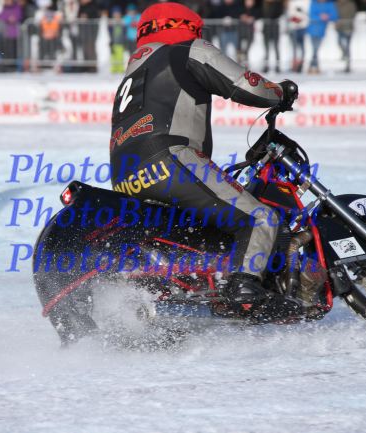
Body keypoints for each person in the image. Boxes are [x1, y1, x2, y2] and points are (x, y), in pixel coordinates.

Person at [109, 2, 299, 305]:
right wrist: (280, 92)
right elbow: (247, 86)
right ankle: (244, 286)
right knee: (259, 217)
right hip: (171, 160)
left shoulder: (135, 69)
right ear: (188, 27)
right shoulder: (185, 49)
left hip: (125, 175)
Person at [307, 0, 338, 74]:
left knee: (315, 49)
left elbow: (334, 16)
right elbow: (311, 15)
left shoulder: (330, 4)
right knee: (315, 49)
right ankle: (314, 66)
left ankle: (313, 66)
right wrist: (321, 17)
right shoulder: (313, 3)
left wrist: (327, 16)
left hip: (321, 30)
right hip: (312, 30)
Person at [261, 0, 285, 73]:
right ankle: (266, 66)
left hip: (275, 28)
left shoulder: (278, 4)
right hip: (266, 28)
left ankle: (277, 66)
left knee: (276, 47)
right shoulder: (263, 4)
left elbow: (278, 13)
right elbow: (262, 14)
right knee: (266, 48)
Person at [287, 0, 309, 73]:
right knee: (294, 49)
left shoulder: (305, 2)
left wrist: (301, 19)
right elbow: (290, 15)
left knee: (302, 48)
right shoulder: (291, 3)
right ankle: (294, 66)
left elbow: (307, 14)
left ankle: (300, 65)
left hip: (302, 28)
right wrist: (293, 19)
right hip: (293, 29)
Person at [336, 0, 357, 73]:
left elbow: (352, 14)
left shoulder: (351, 4)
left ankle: (348, 65)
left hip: (348, 27)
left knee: (347, 46)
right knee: (339, 42)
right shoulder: (337, 4)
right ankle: (345, 54)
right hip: (340, 27)